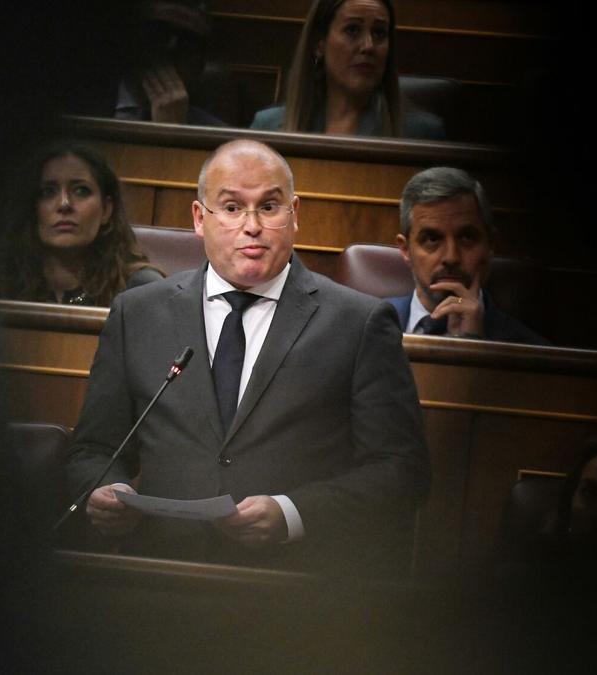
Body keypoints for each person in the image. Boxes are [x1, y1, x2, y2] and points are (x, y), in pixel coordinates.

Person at [64, 139, 430, 577]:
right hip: (160, 576)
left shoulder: (359, 323)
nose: (252, 225)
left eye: (269, 207)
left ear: (295, 214)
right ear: (200, 218)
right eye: (233, 208)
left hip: (295, 593)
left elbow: (403, 472)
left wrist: (294, 514)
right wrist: (106, 490)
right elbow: (93, 450)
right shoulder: (137, 314)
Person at [388, 166, 550, 344]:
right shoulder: (366, 327)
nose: (451, 257)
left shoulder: (531, 352)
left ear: (490, 245)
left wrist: (473, 346)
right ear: (405, 250)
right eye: (432, 239)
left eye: (466, 237)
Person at [0, 142, 163, 306]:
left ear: (106, 209)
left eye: (81, 191)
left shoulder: (142, 288)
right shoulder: (0, 282)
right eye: (48, 191)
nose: (64, 204)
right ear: (31, 208)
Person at [249, 0, 444, 139]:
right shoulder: (269, 127)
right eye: (352, 30)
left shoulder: (420, 133)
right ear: (319, 44)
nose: (368, 46)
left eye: (379, 33)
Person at [111, 1, 227, 126]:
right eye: (158, 32)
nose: (172, 47)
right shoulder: (94, 107)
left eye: (187, 39)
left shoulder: (216, 134)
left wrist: (172, 130)